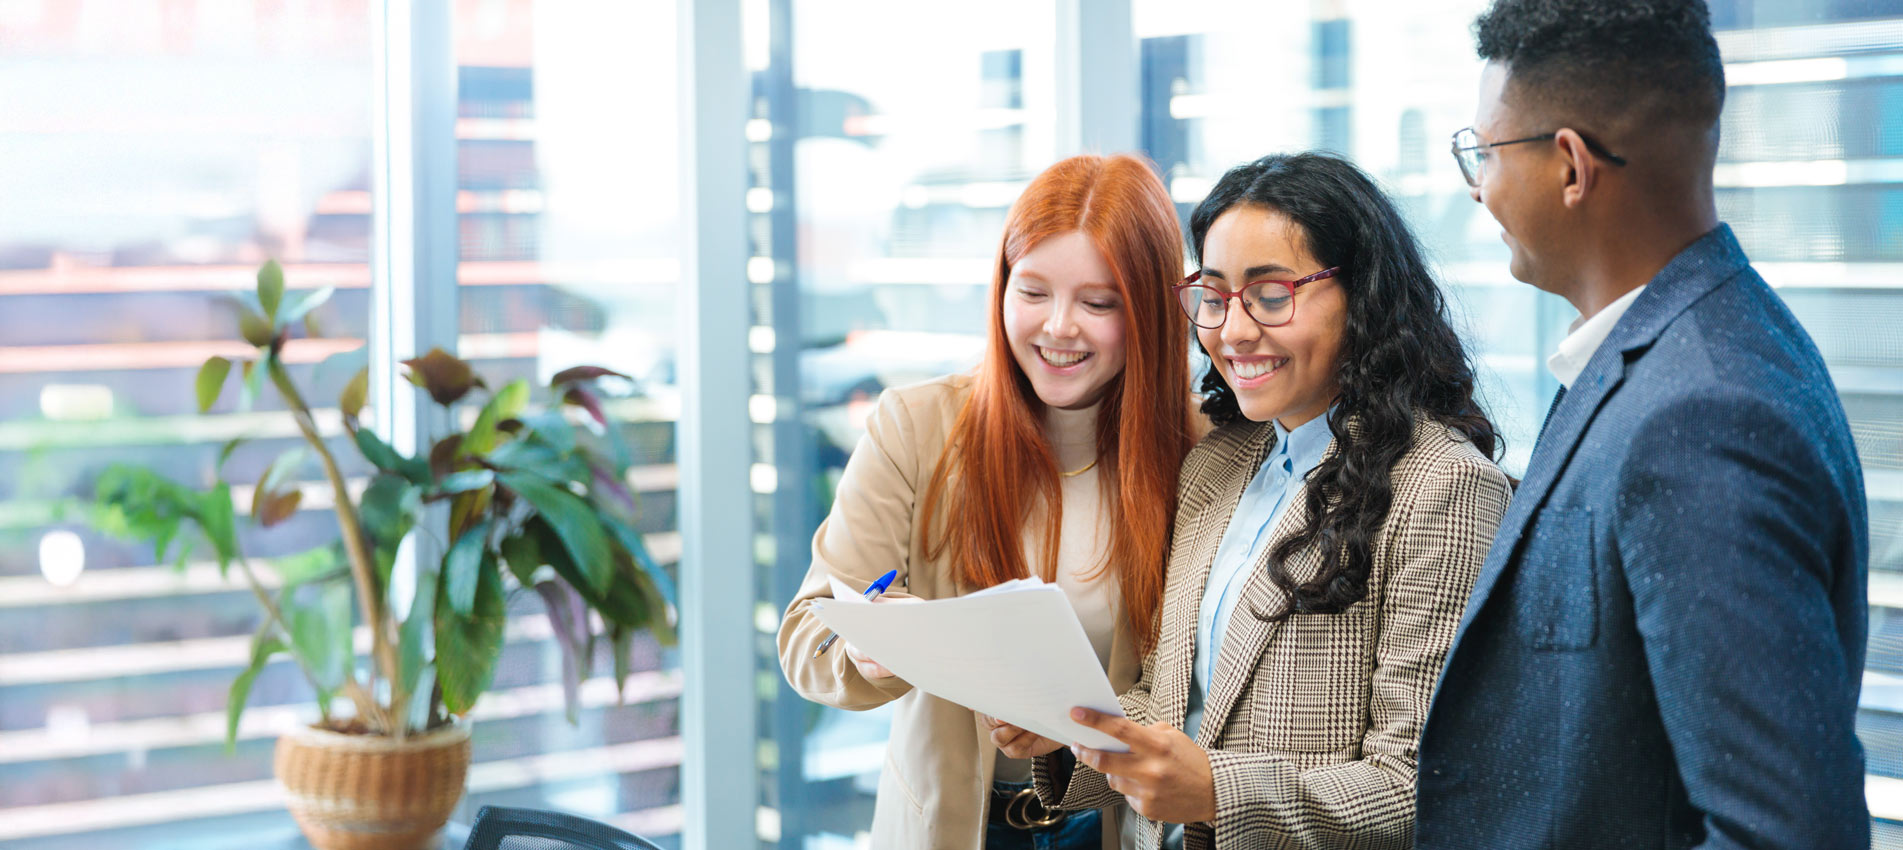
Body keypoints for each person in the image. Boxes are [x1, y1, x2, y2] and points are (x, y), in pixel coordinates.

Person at [1413, 1, 1870, 847]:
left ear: (1569, 167)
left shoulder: (1701, 412)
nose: (1477, 186)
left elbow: (1784, 831)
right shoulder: (1681, 350)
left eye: (1484, 151)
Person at [993, 151, 1511, 849]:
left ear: (1362, 296)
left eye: (1270, 295)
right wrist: (1064, 731)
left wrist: (1214, 790)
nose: (1232, 331)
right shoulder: (1217, 465)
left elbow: (1421, 784)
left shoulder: (1441, 488)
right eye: (1213, 295)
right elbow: (1172, 703)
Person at [777, 152, 1200, 850]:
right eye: (1032, 292)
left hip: (1113, 824)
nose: (1058, 327)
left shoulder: (1204, 453)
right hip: (952, 826)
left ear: (1151, 310)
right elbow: (805, 639)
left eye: (1098, 303)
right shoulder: (916, 428)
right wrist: (872, 648)